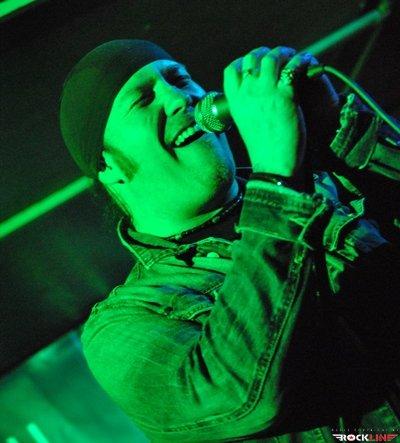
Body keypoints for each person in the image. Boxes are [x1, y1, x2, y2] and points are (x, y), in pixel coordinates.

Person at [59, 40, 400, 442]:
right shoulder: (123, 325)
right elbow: (238, 393)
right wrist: (278, 181)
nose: (179, 98)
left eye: (179, 79)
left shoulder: (324, 186)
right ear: (110, 166)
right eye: (144, 99)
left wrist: (340, 134)